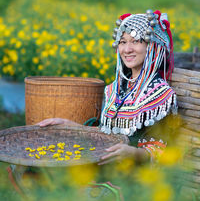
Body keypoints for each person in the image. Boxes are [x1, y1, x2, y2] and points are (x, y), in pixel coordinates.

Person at [38, 9, 178, 164]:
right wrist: (69, 126)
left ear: (152, 47)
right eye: (123, 42)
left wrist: (134, 154)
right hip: (103, 164)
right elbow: (105, 134)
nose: (127, 49)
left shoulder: (161, 95)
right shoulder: (115, 89)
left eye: (136, 41)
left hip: (133, 178)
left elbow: (164, 153)